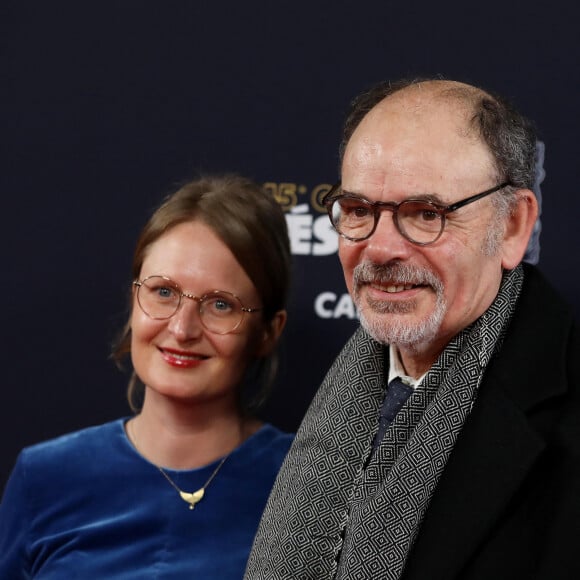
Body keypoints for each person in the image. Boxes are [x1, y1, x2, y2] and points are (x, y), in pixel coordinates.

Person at [245, 79, 580, 579]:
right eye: (359, 211)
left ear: (513, 226)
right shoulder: (347, 392)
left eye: (426, 214)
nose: (380, 249)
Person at [0, 174, 294, 579]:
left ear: (268, 331)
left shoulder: (308, 482)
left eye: (221, 305)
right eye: (163, 292)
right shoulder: (44, 477)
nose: (182, 329)